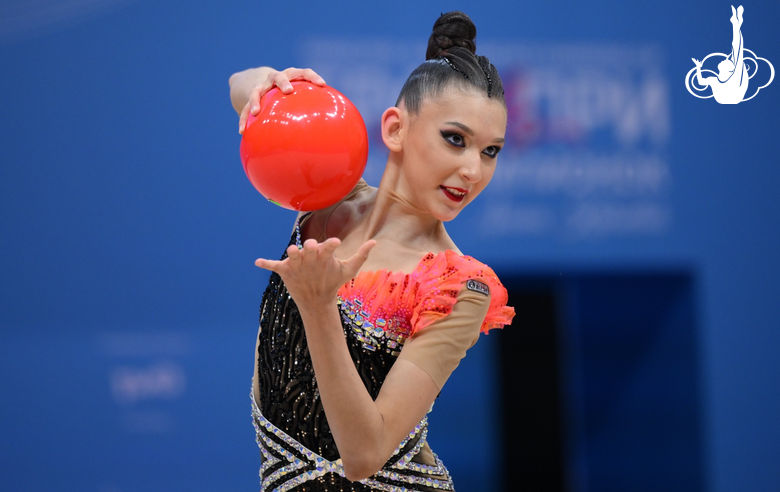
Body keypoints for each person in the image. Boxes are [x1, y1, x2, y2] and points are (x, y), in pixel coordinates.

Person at [229, 11, 515, 491]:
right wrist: (272, 84)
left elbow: (365, 453)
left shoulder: (459, 287)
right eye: (455, 139)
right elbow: (240, 87)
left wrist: (319, 308)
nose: (473, 170)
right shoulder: (325, 197)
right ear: (395, 129)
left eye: (490, 151)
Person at [692, 5, 748, 104]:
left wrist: (736, 25)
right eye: (727, 60)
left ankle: (736, 23)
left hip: (734, 96)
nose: (725, 59)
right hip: (727, 97)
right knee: (736, 50)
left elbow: (738, 48)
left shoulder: (735, 77)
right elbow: (701, 82)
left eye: (727, 61)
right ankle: (736, 23)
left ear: (729, 69)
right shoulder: (714, 80)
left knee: (737, 50)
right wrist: (698, 67)